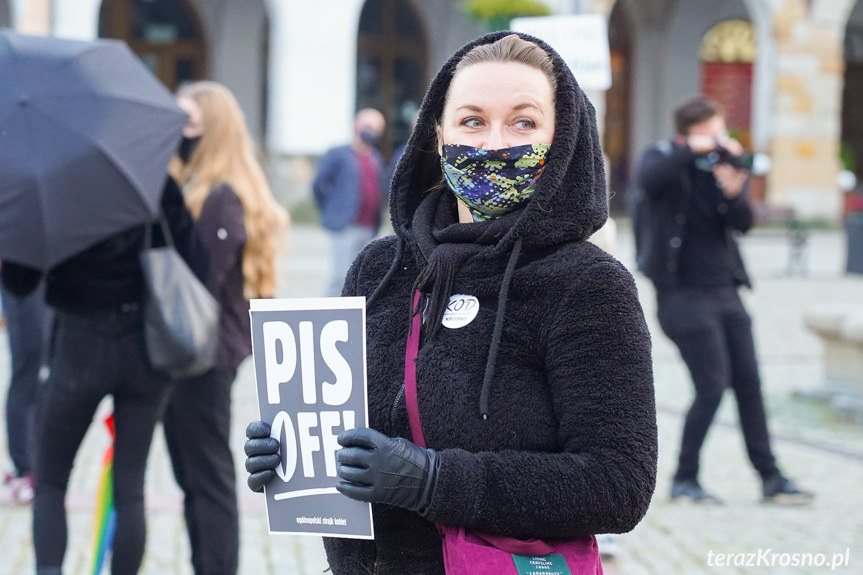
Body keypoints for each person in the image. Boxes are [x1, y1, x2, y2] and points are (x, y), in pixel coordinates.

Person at [245, 32, 658, 574]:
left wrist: (436, 480)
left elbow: (617, 486)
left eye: (523, 122)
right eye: (472, 120)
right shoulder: (379, 268)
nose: (492, 142)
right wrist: (293, 455)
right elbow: (345, 444)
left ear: (561, 139)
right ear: (437, 136)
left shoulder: (587, 285)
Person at [1, 177, 202, 575]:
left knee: (52, 480)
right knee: (130, 484)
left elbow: (20, 282)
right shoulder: (151, 176)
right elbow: (195, 256)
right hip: (146, 345)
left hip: (79, 345)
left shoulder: (53, 185)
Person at [635, 95, 814, 505]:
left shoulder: (717, 170)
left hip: (726, 291)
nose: (721, 140)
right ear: (692, 133)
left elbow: (744, 225)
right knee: (712, 386)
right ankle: (685, 479)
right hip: (681, 296)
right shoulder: (663, 157)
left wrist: (734, 191)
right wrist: (692, 151)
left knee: (749, 384)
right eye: (713, 132)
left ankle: (770, 477)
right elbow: (650, 182)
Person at [164, 80, 288, 575]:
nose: (179, 132)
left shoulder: (219, 198)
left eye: (189, 122)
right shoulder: (203, 189)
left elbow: (201, 282)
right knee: (195, 476)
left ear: (212, 130)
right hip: (200, 350)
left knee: (207, 477)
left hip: (205, 355)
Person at [313, 108, 386, 296]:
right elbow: (319, 184)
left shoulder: (375, 158)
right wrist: (330, 211)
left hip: (368, 227)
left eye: (377, 129)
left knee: (360, 278)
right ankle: (327, 317)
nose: (372, 133)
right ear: (356, 126)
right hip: (345, 225)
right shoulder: (339, 153)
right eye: (368, 127)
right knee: (340, 277)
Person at [0, 275, 50, 505]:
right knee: (27, 368)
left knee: (41, 371)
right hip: (21, 276)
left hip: (44, 275)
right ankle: (24, 468)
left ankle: (35, 462)